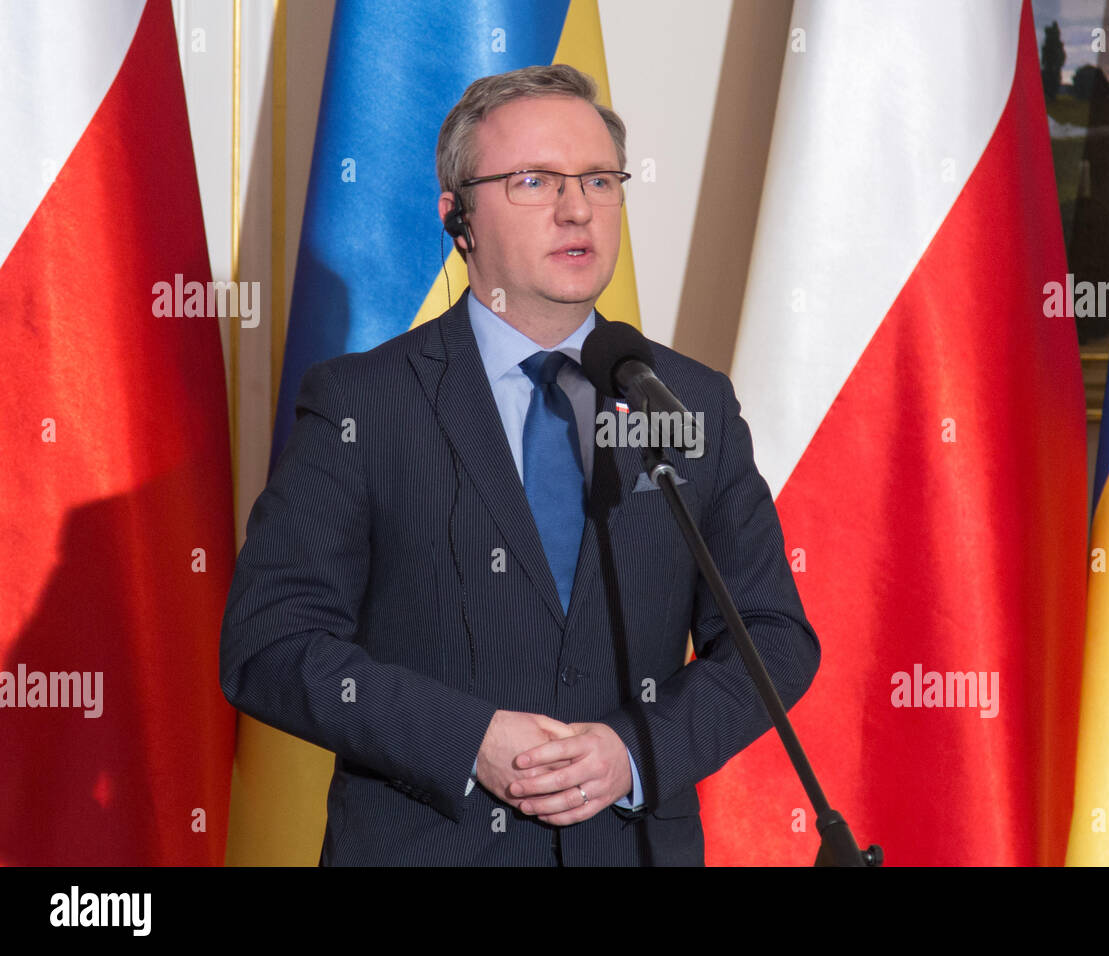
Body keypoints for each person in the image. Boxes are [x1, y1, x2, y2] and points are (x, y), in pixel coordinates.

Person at [219, 64, 819, 866]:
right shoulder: (363, 403)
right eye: (535, 180)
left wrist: (634, 751)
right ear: (457, 218)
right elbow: (269, 640)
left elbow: (773, 636)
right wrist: (468, 740)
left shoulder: (690, 402)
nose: (578, 208)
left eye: (600, 180)